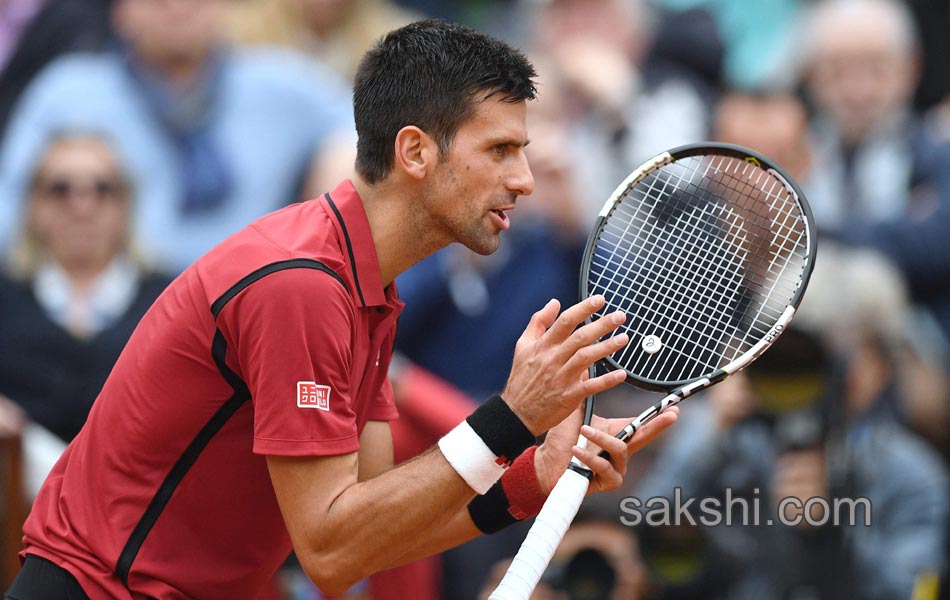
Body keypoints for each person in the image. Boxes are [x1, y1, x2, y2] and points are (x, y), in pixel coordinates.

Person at [5, 20, 678, 599]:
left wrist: (530, 478)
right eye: (499, 149)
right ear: (414, 151)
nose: (524, 179)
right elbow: (330, 547)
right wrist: (511, 419)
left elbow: (367, 534)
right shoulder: (298, 285)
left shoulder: (364, 287)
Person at [0, 0, 354, 272]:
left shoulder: (280, 86)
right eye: (159, 0)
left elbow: (365, 131)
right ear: (119, 12)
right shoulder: (72, 91)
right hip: (110, 310)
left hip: (248, 303)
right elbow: (8, 207)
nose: (178, 9)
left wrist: (333, 187)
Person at [0, 132, 172, 495]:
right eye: (60, 189)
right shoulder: (5, 294)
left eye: (102, 189)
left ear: (126, 204)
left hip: (138, 505)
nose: (82, 206)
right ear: (33, 204)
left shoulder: (173, 298)